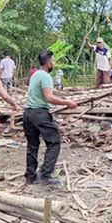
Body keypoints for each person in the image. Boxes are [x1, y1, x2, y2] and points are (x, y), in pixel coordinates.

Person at [23, 50, 78, 185]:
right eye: (53, 61)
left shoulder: (35, 75)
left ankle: (30, 176)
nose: (54, 63)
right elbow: (49, 97)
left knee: (33, 145)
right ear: (48, 63)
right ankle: (45, 175)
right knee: (54, 142)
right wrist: (67, 102)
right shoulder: (46, 76)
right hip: (40, 113)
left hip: (28, 113)